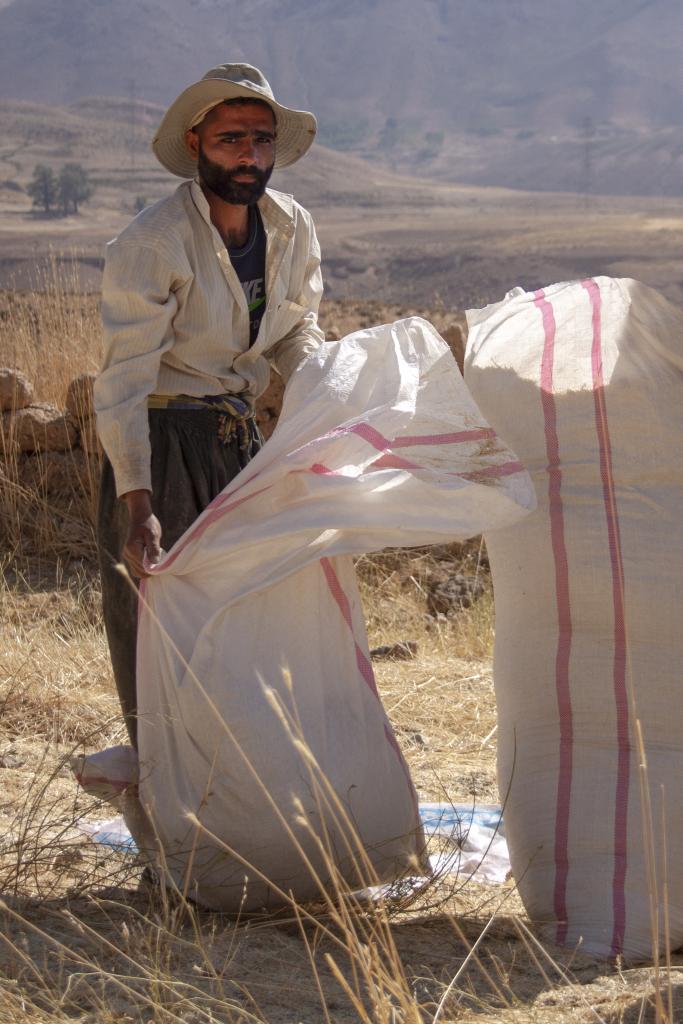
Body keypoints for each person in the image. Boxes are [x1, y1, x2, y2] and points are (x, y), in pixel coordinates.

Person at [94, 63, 324, 746]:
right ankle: (170, 820)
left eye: (260, 140)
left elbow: (295, 330)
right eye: (230, 140)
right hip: (160, 445)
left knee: (245, 626)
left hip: (239, 440)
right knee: (161, 637)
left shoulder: (289, 228)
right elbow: (123, 381)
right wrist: (137, 504)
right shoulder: (153, 242)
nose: (249, 157)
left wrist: (326, 396)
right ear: (195, 144)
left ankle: (242, 807)